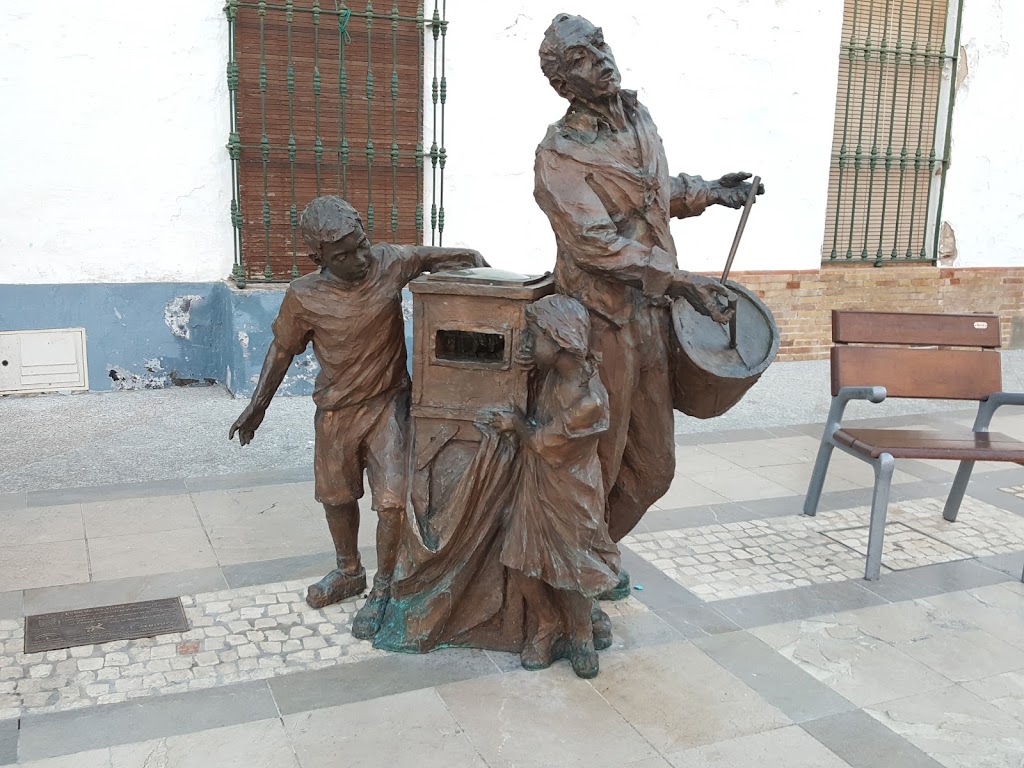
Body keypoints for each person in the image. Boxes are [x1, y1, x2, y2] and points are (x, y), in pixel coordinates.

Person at [533, 14, 765, 598]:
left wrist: (713, 190)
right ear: (563, 83)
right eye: (583, 57)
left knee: (654, 469)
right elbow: (595, 242)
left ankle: (590, 562)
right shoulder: (558, 156)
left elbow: (653, 198)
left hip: (652, 316)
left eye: (601, 45)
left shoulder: (639, 116)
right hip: (601, 324)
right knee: (598, 462)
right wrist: (679, 280)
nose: (602, 59)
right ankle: (572, 588)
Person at [229, 195, 485, 639]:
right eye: (342, 255)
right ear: (320, 259)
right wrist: (257, 407)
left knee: (392, 501)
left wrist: (481, 282)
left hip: (388, 404)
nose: (358, 260)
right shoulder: (303, 296)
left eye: (360, 245)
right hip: (335, 413)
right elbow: (281, 350)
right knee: (337, 497)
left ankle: (384, 586)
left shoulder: (389, 262)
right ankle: (348, 570)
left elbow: (454, 256)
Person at [488, 294, 619, 679]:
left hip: (571, 492)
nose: (525, 342)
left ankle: (580, 635)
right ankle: (547, 623)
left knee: (574, 568)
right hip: (537, 483)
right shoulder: (557, 372)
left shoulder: (589, 400)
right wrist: (532, 363)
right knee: (522, 560)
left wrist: (515, 423)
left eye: (533, 335)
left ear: (559, 340)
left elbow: (544, 442)